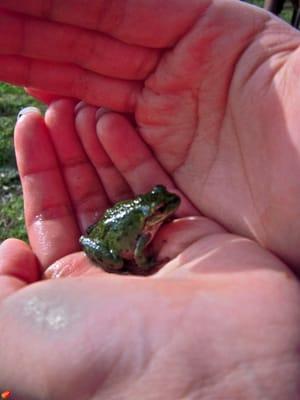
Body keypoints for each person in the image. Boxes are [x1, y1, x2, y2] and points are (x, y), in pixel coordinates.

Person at [0, 0, 300, 398]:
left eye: (163, 205)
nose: (168, 208)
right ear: (153, 213)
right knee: (114, 249)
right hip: (108, 239)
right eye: (162, 207)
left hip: (109, 222)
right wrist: (141, 264)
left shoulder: (156, 216)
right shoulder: (145, 233)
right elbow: (141, 252)